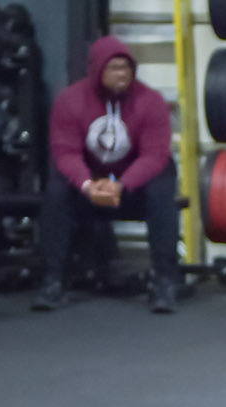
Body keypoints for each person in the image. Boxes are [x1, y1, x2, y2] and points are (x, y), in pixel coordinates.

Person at [34, 35, 180, 314]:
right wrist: (87, 185)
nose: (122, 74)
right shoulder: (69, 101)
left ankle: (165, 282)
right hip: (89, 188)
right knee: (56, 189)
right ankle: (52, 282)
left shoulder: (151, 101)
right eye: (114, 68)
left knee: (162, 184)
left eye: (126, 68)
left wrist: (121, 185)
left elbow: (154, 154)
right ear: (97, 69)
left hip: (131, 189)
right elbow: (65, 152)